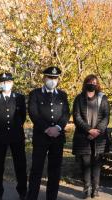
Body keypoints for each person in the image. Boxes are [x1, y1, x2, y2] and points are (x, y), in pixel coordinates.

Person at [26, 66, 70, 200]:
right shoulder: (35, 94)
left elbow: (66, 114)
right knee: (36, 170)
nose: (52, 80)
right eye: (50, 77)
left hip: (57, 137)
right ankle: (32, 197)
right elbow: (34, 113)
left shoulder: (62, 95)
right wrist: (47, 129)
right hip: (41, 137)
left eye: (55, 78)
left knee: (55, 171)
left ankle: (52, 197)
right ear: (44, 78)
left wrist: (57, 127)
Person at [0, 72, 27, 200]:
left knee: (20, 165)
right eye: (2, 82)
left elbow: (23, 116)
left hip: (16, 136)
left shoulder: (19, 98)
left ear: (12, 83)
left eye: (8, 82)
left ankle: (22, 192)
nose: (5, 84)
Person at [72, 74, 110, 199]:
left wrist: (97, 130)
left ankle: (96, 188)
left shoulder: (102, 98)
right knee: (85, 163)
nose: (92, 83)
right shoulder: (79, 98)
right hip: (84, 136)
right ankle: (87, 188)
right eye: (90, 81)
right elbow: (76, 117)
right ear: (85, 83)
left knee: (97, 164)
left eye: (94, 82)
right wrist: (89, 130)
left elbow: (106, 116)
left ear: (97, 84)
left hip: (99, 137)